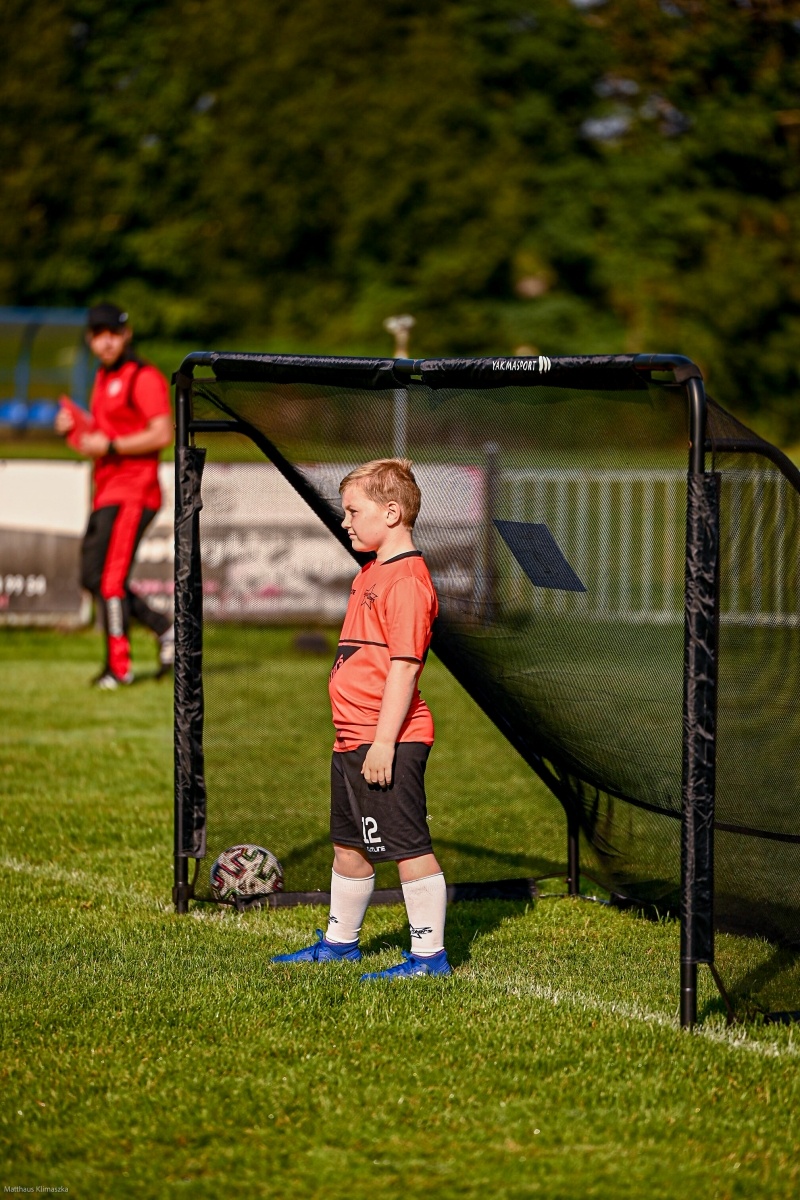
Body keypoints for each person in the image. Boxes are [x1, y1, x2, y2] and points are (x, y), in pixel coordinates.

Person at [272, 458, 451, 980]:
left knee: (408, 847)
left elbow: (404, 668)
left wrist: (383, 743)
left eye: (354, 511)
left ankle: (428, 959)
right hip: (352, 738)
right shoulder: (371, 572)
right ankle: (340, 943)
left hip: (386, 740)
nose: (345, 521)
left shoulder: (408, 582)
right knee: (349, 846)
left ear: (392, 513)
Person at [55, 302, 174, 688]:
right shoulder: (103, 379)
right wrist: (73, 426)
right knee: (93, 576)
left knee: (110, 581)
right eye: (98, 334)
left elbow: (161, 433)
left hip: (135, 491)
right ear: (91, 339)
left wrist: (109, 446)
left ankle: (117, 668)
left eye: (113, 333)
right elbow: (101, 433)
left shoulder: (144, 377)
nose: (106, 342)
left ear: (126, 334)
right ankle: (164, 628)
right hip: (106, 491)